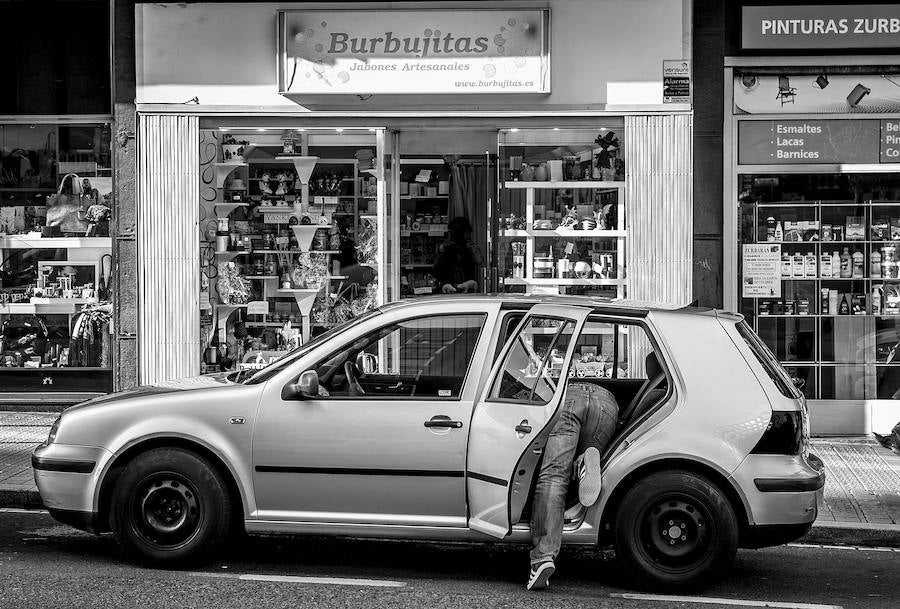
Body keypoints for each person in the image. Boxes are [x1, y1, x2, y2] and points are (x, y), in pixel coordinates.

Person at [527, 381, 619, 591]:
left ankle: (543, 557)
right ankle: (585, 459)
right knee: (584, 458)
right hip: (607, 403)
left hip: (570, 396)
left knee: (554, 475)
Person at [433, 216, 483, 294]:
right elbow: (437, 271)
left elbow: (479, 260)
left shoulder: (469, 247)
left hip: (465, 286)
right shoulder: (446, 247)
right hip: (449, 288)